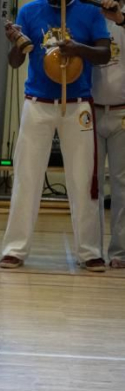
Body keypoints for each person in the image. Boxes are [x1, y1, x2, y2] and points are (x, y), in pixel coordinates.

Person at [0, 0, 110, 272]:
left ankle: (89, 251)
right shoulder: (29, 11)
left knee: (82, 177)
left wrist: (78, 49)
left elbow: (105, 54)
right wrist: (16, 44)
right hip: (37, 103)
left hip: (77, 104)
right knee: (26, 176)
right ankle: (15, 248)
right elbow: (15, 63)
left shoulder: (90, 11)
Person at [94, 0, 125, 268]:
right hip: (89, 110)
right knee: (90, 183)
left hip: (122, 112)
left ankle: (120, 251)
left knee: (121, 185)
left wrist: (121, 19)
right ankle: (91, 249)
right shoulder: (89, 13)